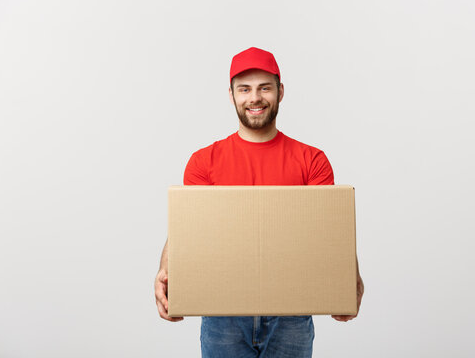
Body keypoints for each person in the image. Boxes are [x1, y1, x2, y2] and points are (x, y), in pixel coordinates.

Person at [154, 47, 364, 357]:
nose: (255, 97)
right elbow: (188, 231)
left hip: (291, 314)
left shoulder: (312, 160)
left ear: (280, 91)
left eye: (265, 87)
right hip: (223, 313)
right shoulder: (204, 162)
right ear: (231, 95)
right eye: (245, 89)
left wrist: (348, 281)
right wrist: (164, 272)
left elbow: (329, 233)